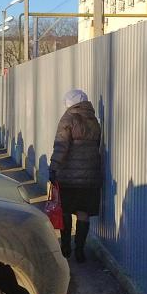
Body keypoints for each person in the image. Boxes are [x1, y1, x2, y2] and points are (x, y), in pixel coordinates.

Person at [49, 89, 103, 263]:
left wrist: (53, 168)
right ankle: (80, 250)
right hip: (90, 178)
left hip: (69, 177)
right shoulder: (93, 120)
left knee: (65, 211)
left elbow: (61, 147)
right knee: (83, 213)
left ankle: (65, 247)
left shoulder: (68, 118)